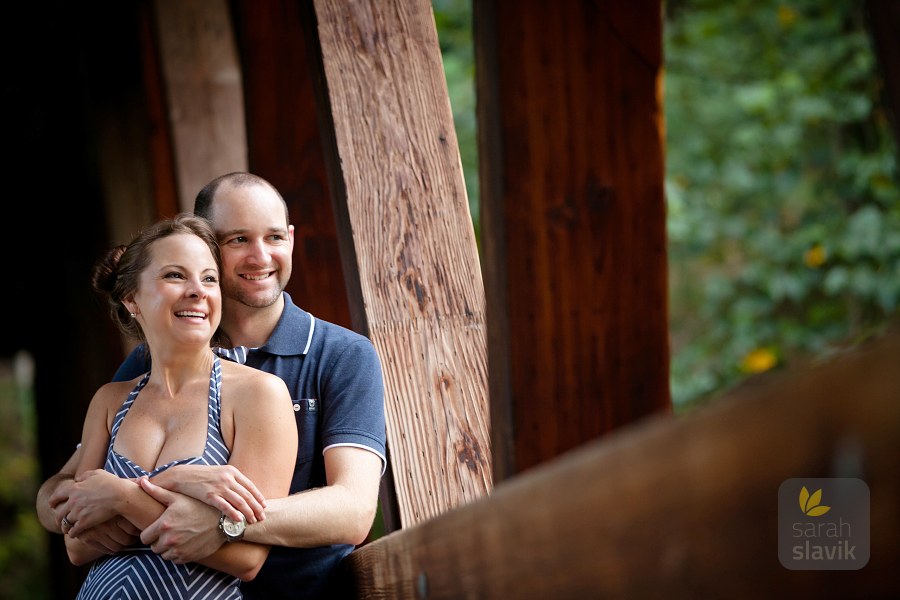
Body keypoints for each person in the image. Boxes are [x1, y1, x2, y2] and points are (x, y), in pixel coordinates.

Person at [37, 172, 388, 600]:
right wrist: (165, 488)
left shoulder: (340, 355)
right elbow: (69, 494)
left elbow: (352, 510)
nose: (261, 256)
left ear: (291, 238)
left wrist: (218, 518)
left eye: (274, 236)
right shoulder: (142, 367)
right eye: (238, 239)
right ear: (207, 245)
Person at [63, 214, 298, 599]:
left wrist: (121, 497)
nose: (197, 291)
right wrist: (181, 491)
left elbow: (246, 555)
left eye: (208, 279)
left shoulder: (259, 395)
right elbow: (77, 545)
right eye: (175, 276)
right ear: (132, 298)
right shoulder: (110, 401)